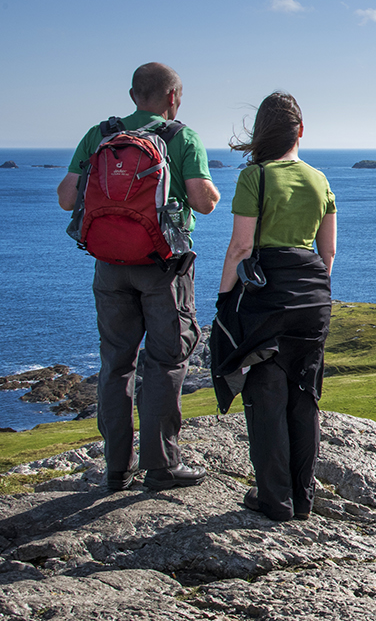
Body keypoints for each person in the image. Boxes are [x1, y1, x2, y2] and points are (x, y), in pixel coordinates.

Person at [57, 62, 220, 493]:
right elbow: (203, 203)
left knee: (116, 365)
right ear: (173, 97)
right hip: (162, 267)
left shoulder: (100, 135)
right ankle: (162, 466)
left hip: (109, 266)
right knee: (166, 362)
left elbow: (66, 198)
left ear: (133, 95)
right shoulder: (181, 136)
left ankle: (116, 467)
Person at [212, 93, 336, 522]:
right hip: (314, 294)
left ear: (259, 133)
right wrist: (317, 297)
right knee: (306, 396)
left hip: (268, 296)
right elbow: (330, 251)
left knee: (266, 393)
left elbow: (241, 246)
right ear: (301, 131)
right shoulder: (319, 179)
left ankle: (274, 500)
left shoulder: (255, 178)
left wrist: (225, 298)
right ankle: (303, 500)